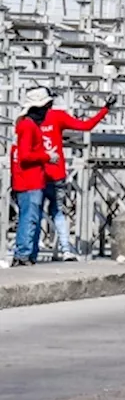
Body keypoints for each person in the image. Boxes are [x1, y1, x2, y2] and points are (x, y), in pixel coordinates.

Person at [36, 89, 115, 262]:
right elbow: (85, 126)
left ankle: (32, 249)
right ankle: (66, 249)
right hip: (56, 173)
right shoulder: (57, 116)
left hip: (37, 174)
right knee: (58, 212)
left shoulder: (28, 120)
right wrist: (105, 109)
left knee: (34, 212)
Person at [9, 88, 55, 266]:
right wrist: (47, 156)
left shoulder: (25, 125)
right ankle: (23, 254)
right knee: (30, 218)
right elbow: (25, 156)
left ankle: (27, 253)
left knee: (30, 218)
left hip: (28, 179)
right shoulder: (28, 127)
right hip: (30, 180)